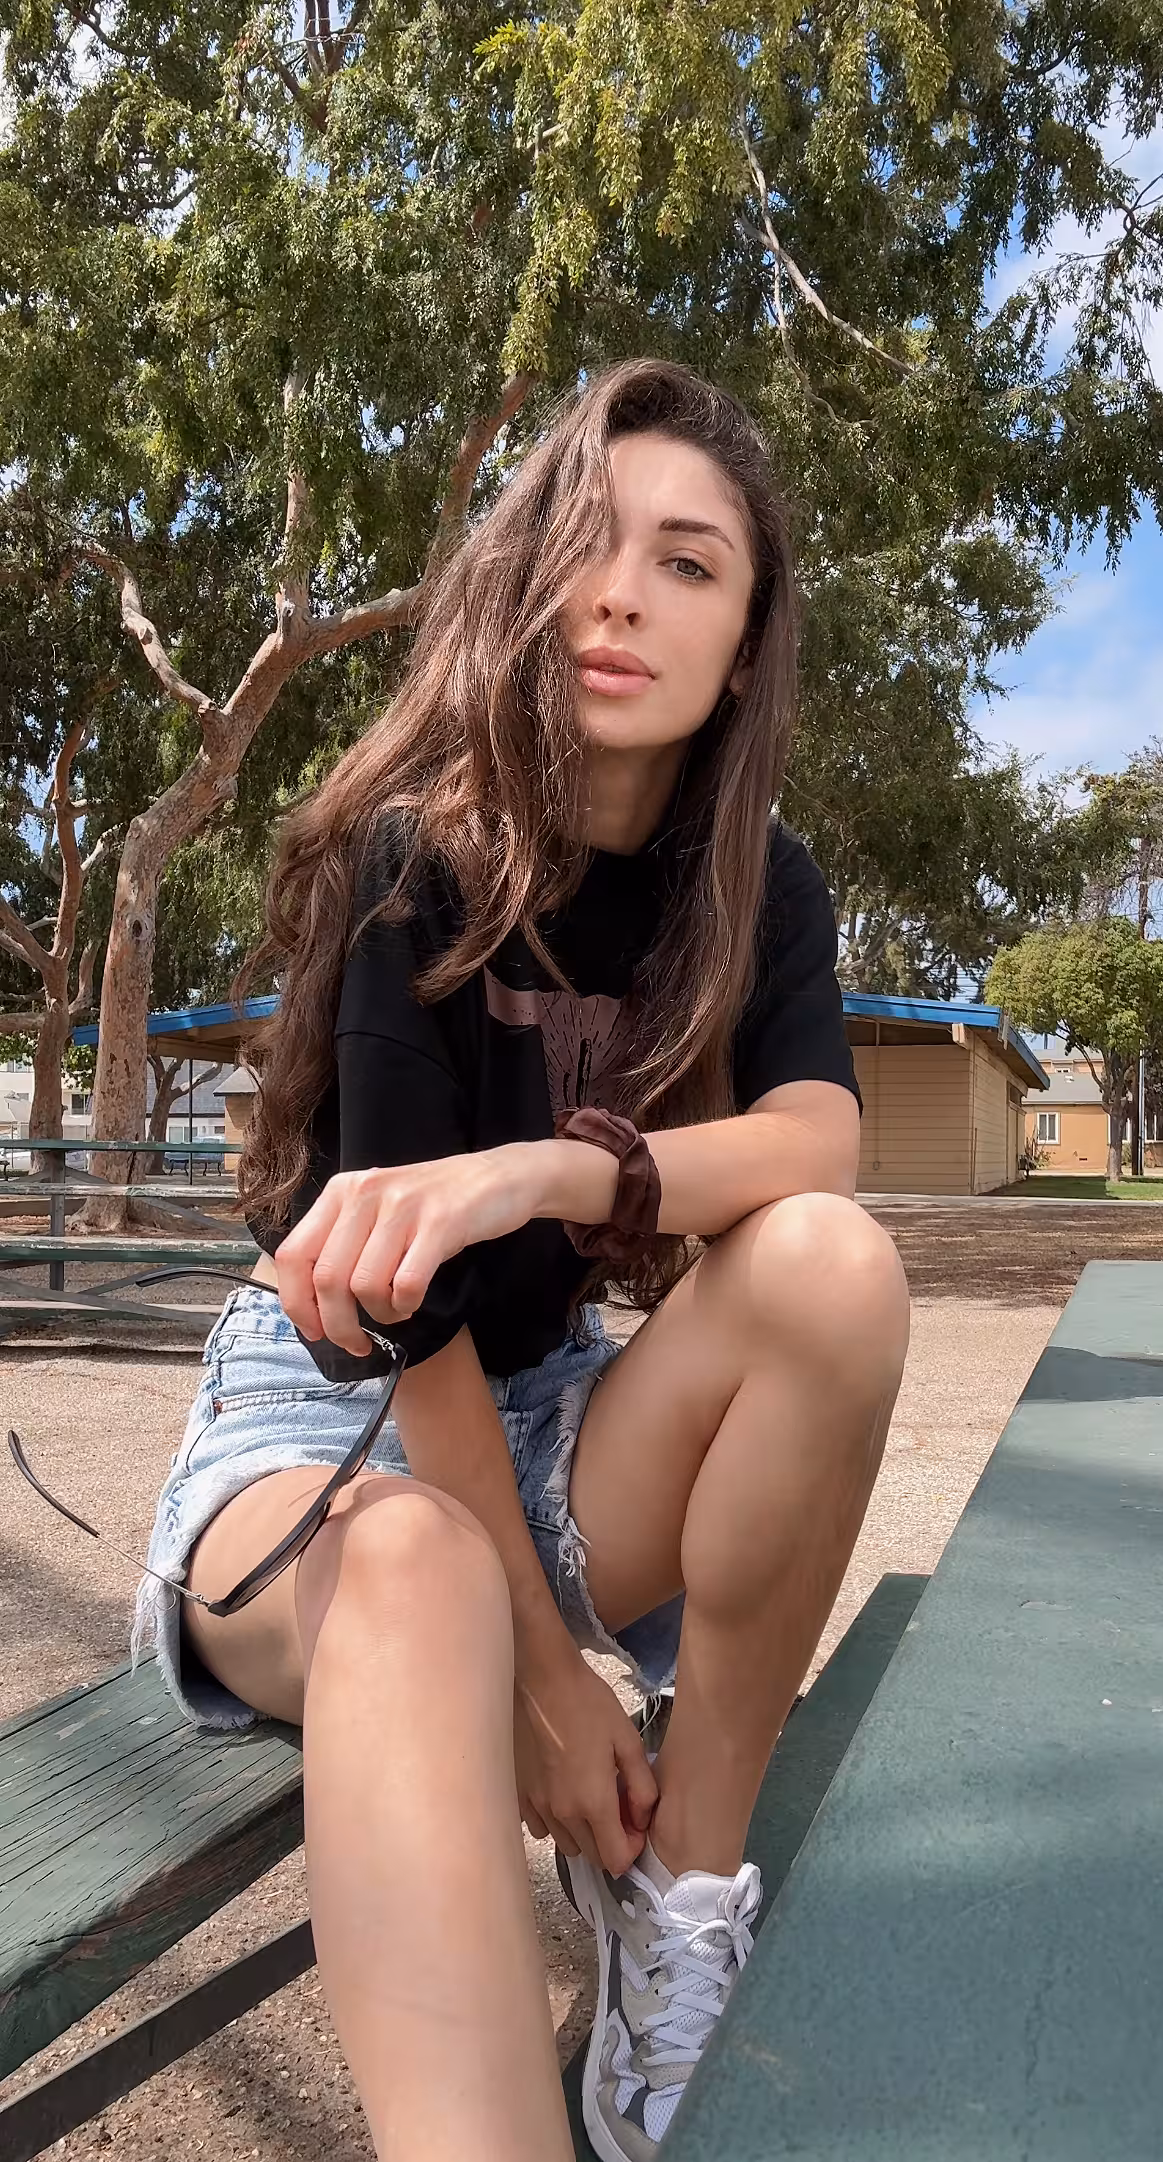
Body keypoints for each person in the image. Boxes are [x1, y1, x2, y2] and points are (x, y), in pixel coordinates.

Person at [131, 357, 910, 2162]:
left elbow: (820, 1148)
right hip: (321, 1426)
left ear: (747, 642)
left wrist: (549, 1169)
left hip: (551, 1410)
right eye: (587, 541)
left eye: (689, 562)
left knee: (832, 1268)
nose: (621, 594)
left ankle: (675, 1907)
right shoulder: (415, 852)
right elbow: (397, 1330)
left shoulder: (757, 886)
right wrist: (552, 1679)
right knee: (417, 1569)